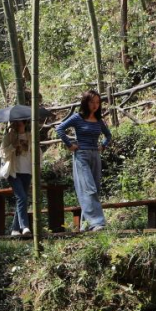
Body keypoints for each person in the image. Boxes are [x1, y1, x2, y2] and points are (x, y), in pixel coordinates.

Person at [56, 89, 112, 232]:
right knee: (88, 188)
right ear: (85, 102)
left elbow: (108, 135)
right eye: (92, 102)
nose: (95, 105)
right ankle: (97, 223)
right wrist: (70, 145)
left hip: (95, 155)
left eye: (97, 102)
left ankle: (85, 224)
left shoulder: (99, 121)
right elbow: (60, 129)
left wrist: (103, 146)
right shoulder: (77, 118)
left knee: (95, 189)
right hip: (81, 155)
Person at [0, 120, 32, 236]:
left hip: (27, 171)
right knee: (22, 197)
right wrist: (13, 146)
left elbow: (37, 152)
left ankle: (15, 229)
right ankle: (25, 227)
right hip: (13, 171)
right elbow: (2, 154)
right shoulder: (9, 137)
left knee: (21, 200)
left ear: (24, 123)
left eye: (21, 123)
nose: (19, 125)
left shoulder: (30, 136)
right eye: (16, 123)